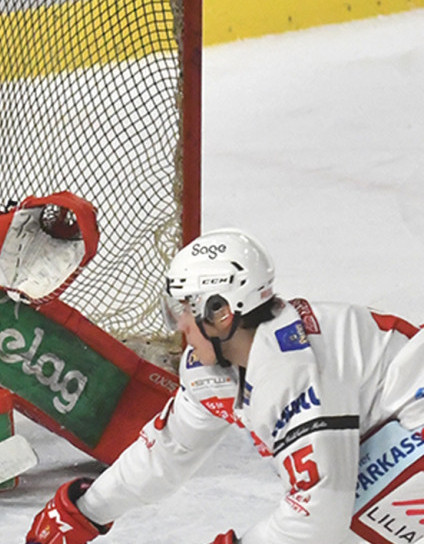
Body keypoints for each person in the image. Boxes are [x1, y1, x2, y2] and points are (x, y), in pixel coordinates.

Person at [25, 229, 424, 544]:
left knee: (349, 520)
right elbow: (169, 450)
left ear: (221, 312)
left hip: (415, 427)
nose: (178, 326)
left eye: (183, 309)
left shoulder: (291, 369)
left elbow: (320, 514)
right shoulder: (217, 367)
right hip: (404, 427)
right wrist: (87, 510)